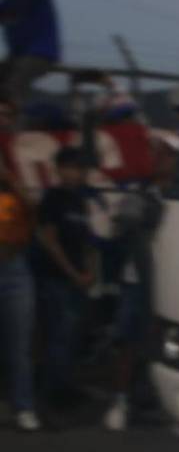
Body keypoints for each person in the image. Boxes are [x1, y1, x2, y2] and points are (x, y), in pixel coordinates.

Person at [102, 130, 178, 431]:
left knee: (160, 338)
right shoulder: (139, 196)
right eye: (159, 153)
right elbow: (121, 233)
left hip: (171, 277)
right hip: (138, 280)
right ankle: (121, 400)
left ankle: (153, 398)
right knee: (129, 340)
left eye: (167, 154)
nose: (161, 159)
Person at [33, 145, 95, 407]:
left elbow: (86, 241)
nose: (76, 174)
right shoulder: (53, 199)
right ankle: (52, 393)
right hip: (56, 278)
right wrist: (72, 273)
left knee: (71, 336)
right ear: (59, 170)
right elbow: (50, 241)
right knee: (58, 335)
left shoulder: (79, 201)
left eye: (80, 169)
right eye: (71, 168)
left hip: (76, 278)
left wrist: (89, 272)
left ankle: (65, 386)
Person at [0, 164, 37, 430]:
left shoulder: (12, 195)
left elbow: (34, 209)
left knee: (19, 348)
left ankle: (22, 407)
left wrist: (9, 178)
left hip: (15, 272)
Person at [0, 0, 59, 107]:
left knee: (15, 86)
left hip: (40, 53)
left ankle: (16, 129)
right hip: (19, 55)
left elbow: (13, 13)